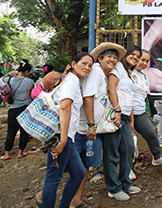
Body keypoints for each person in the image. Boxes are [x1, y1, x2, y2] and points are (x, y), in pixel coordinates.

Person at [43, 55, 93, 208]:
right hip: (60, 135)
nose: (87, 67)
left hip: (67, 135)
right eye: (84, 63)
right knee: (53, 178)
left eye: (90, 65)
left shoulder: (73, 81)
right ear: (73, 64)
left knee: (78, 173)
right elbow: (65, 107)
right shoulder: (71, 80)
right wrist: (63, 139)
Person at [93, 43, 138, 201]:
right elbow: (111, 89)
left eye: (138, 57)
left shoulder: (129, 72)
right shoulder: (118, 67)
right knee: (112, 154)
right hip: (114, 116)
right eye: (133, 54)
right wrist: (118, 110)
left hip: (124, 117)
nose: (135, 58)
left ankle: (125, 183)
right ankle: (113, 188)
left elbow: (129, 96)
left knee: (129, 150)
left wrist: (130, 119)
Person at [124, 46, 162, 168]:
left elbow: (148, 96)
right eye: (142, 59)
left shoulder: (144, 77)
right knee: (128, 143)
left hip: (140, 113)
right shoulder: (127, 74)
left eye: (147, 61)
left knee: (151, 134)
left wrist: (154, 112)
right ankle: (127, 168)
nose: (144, 63)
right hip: (126, 114)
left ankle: (157, 158)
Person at [2, 62, 38, 159]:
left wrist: (8, 74)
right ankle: (20, 152)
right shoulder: (30, 82)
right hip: (25, 109)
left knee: (11, 131)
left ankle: (7, 153)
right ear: (27, 71)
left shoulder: (9, 79)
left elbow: (2, 80)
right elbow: (32, 94)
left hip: (13, 108)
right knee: (24, 131)